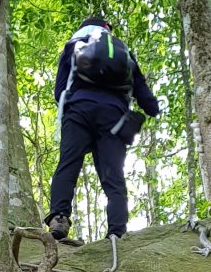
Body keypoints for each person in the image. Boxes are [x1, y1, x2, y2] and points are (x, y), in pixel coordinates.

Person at [45, 16, 160, 246]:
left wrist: (75, 103)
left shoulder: (73, 45)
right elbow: (147, 100)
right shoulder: (122, 50)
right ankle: (117, 232)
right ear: (107, 29)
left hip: (78, 111)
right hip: (114, 117)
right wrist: (152, 108)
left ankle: (59, 217)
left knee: (68, 164)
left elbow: (59, 92)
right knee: (114, 176)